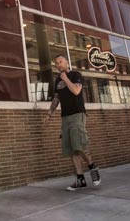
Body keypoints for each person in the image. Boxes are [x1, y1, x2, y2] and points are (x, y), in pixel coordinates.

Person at [43, 54, 101, 191]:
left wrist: (65, 79)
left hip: (77, 114)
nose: (59, 65)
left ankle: (92, 167)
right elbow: (56, 98)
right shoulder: (57, 80)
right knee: (72, 149)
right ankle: (80, 180)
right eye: (56, 63)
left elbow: (76, 91)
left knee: (80, 144)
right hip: (65, 117)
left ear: (67, 63)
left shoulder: (75, 75)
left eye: (61, 62)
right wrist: (49, 113)